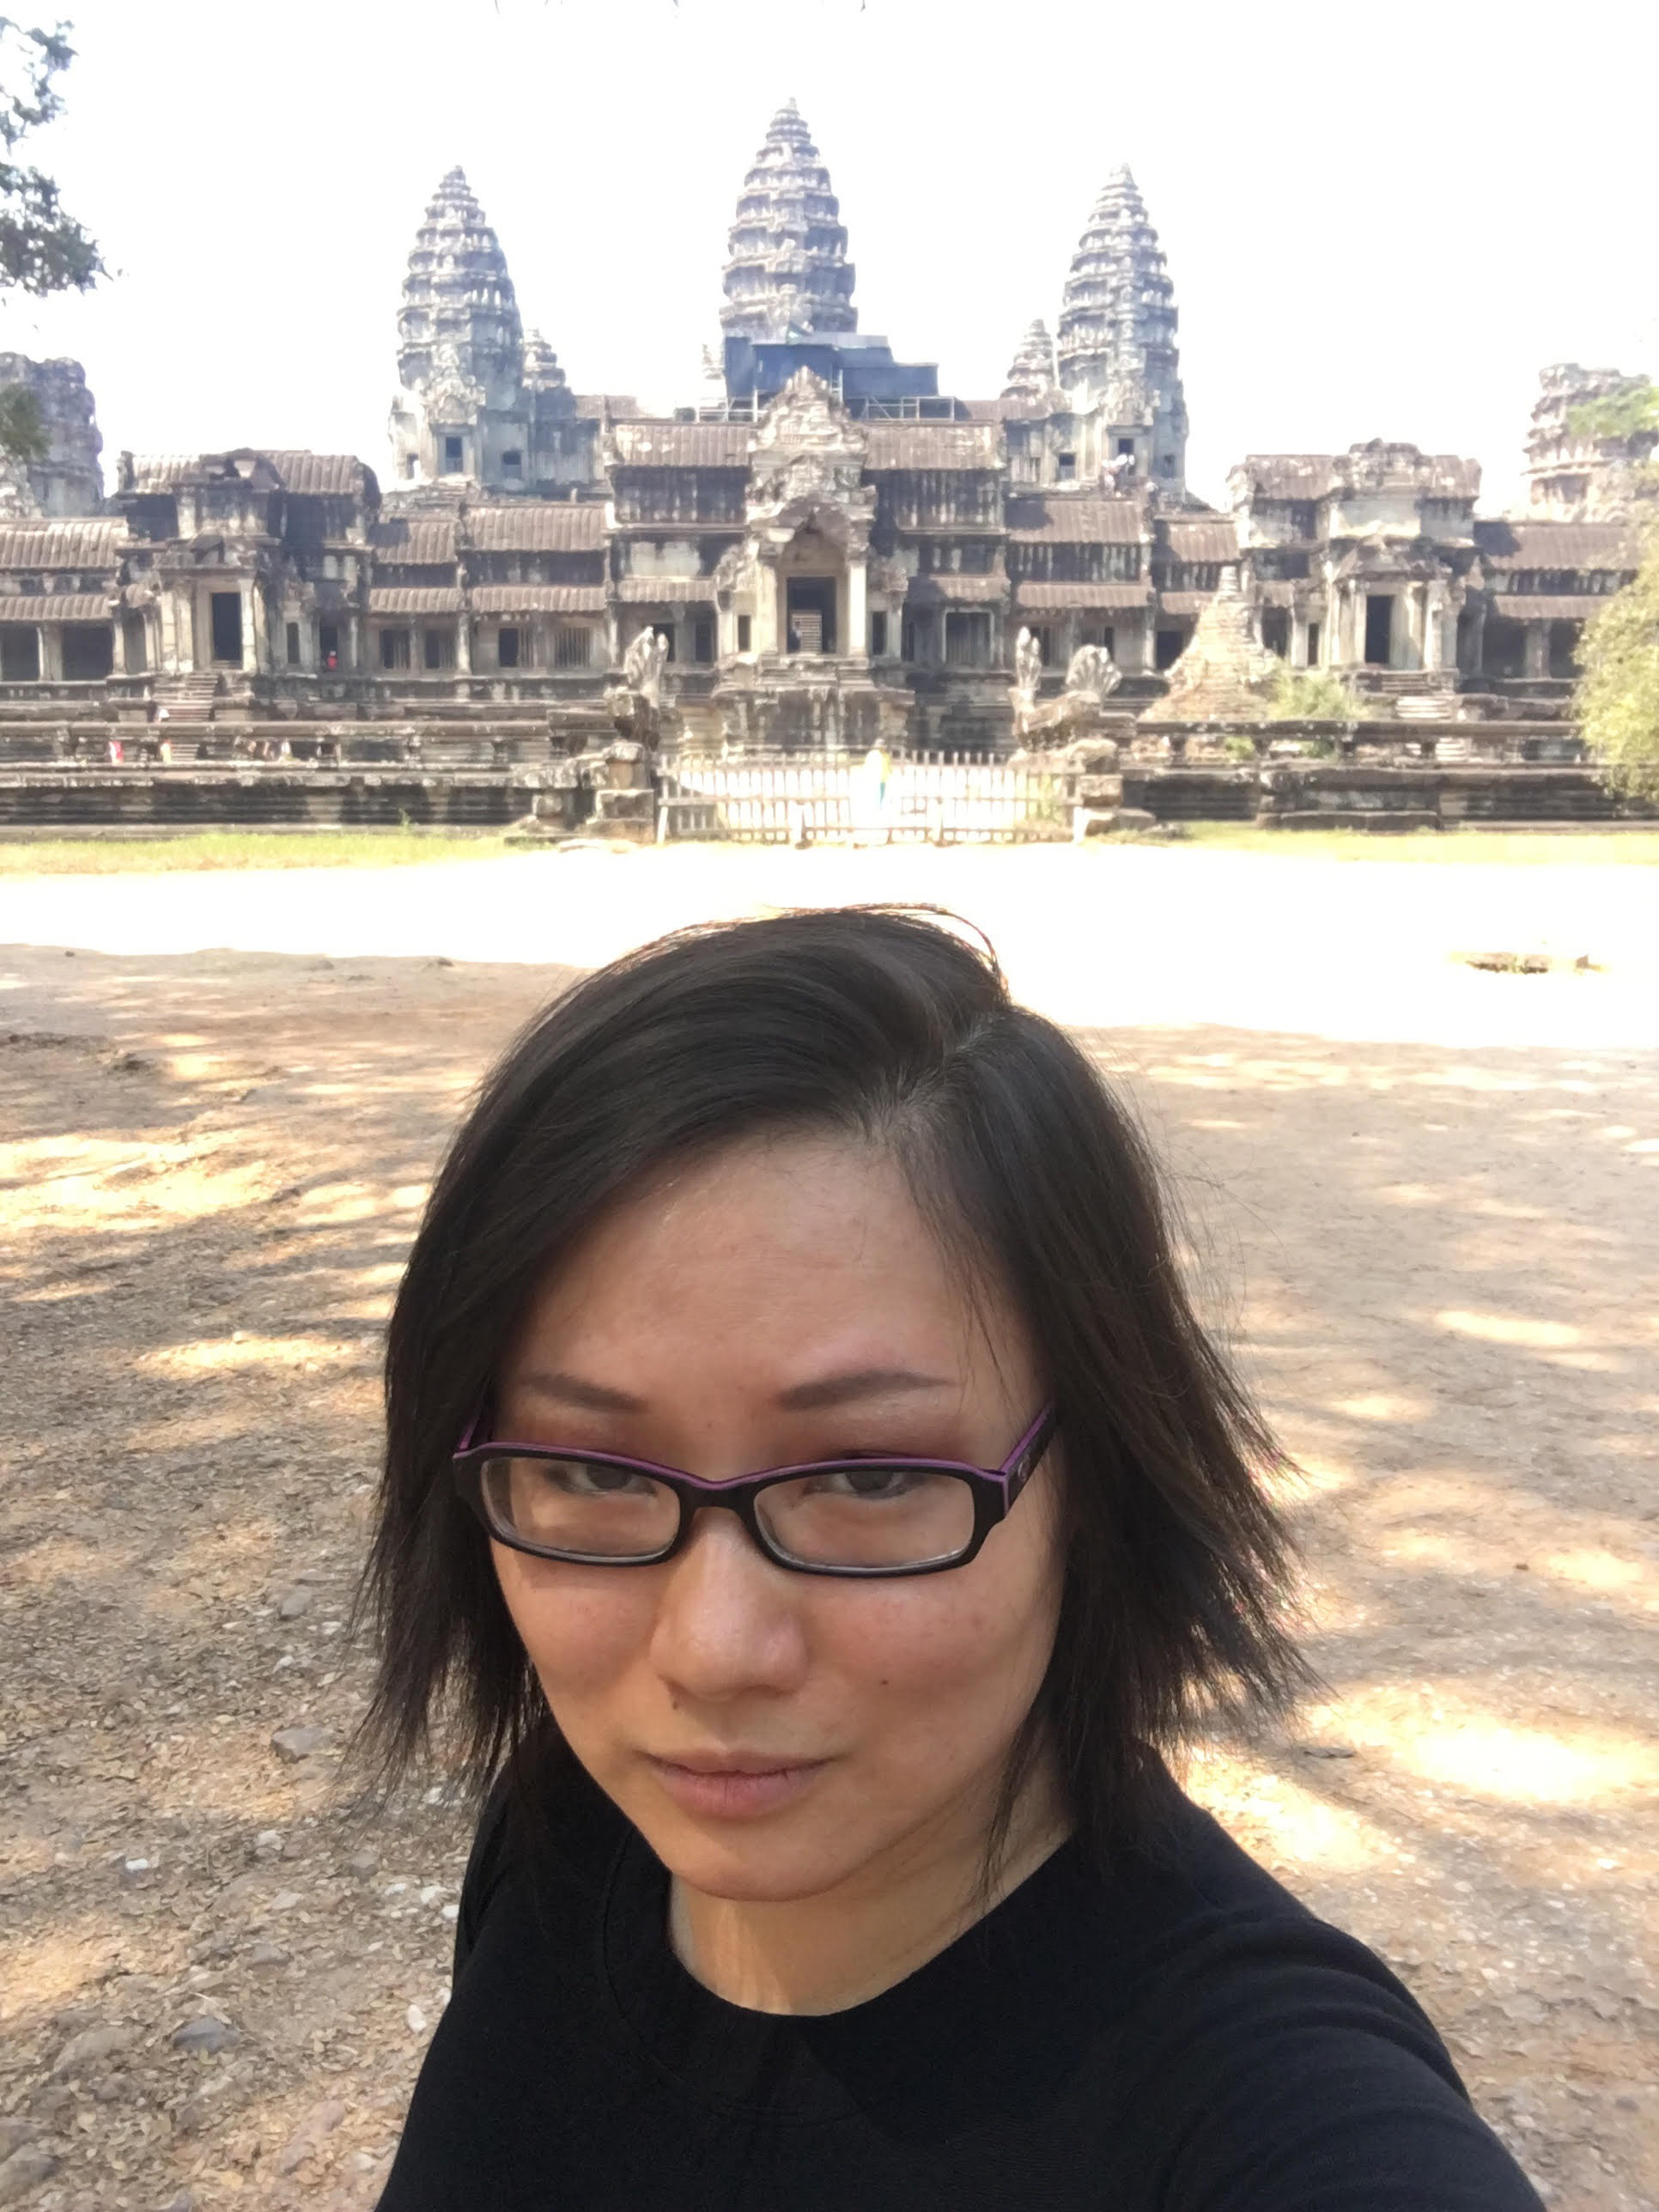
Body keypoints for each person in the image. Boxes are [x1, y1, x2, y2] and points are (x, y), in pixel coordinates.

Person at [361, 908, 1539, 2211]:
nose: (711, 1654)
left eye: (870, 1477)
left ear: (1093, 1478)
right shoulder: (571, 1835)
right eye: (590, 1471)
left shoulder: (1263, 2109)